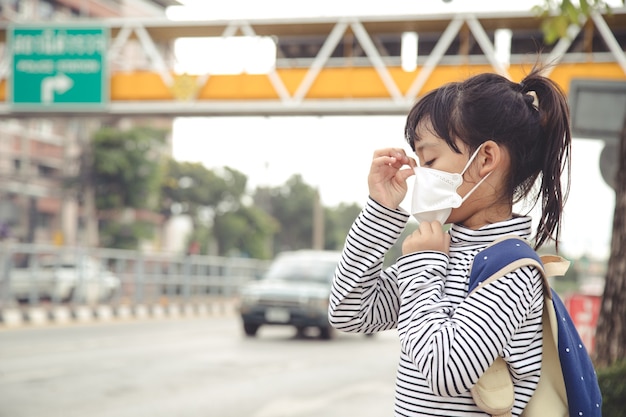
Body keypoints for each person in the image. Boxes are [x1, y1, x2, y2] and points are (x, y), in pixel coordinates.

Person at [328, 67, 572, 417]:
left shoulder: (513, 271)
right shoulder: (444, 249)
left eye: (429, 160)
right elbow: (349, 312)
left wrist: (422, 264)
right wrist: (381, 211)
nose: (420, 175)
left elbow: (446, 370)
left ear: (486, 158)